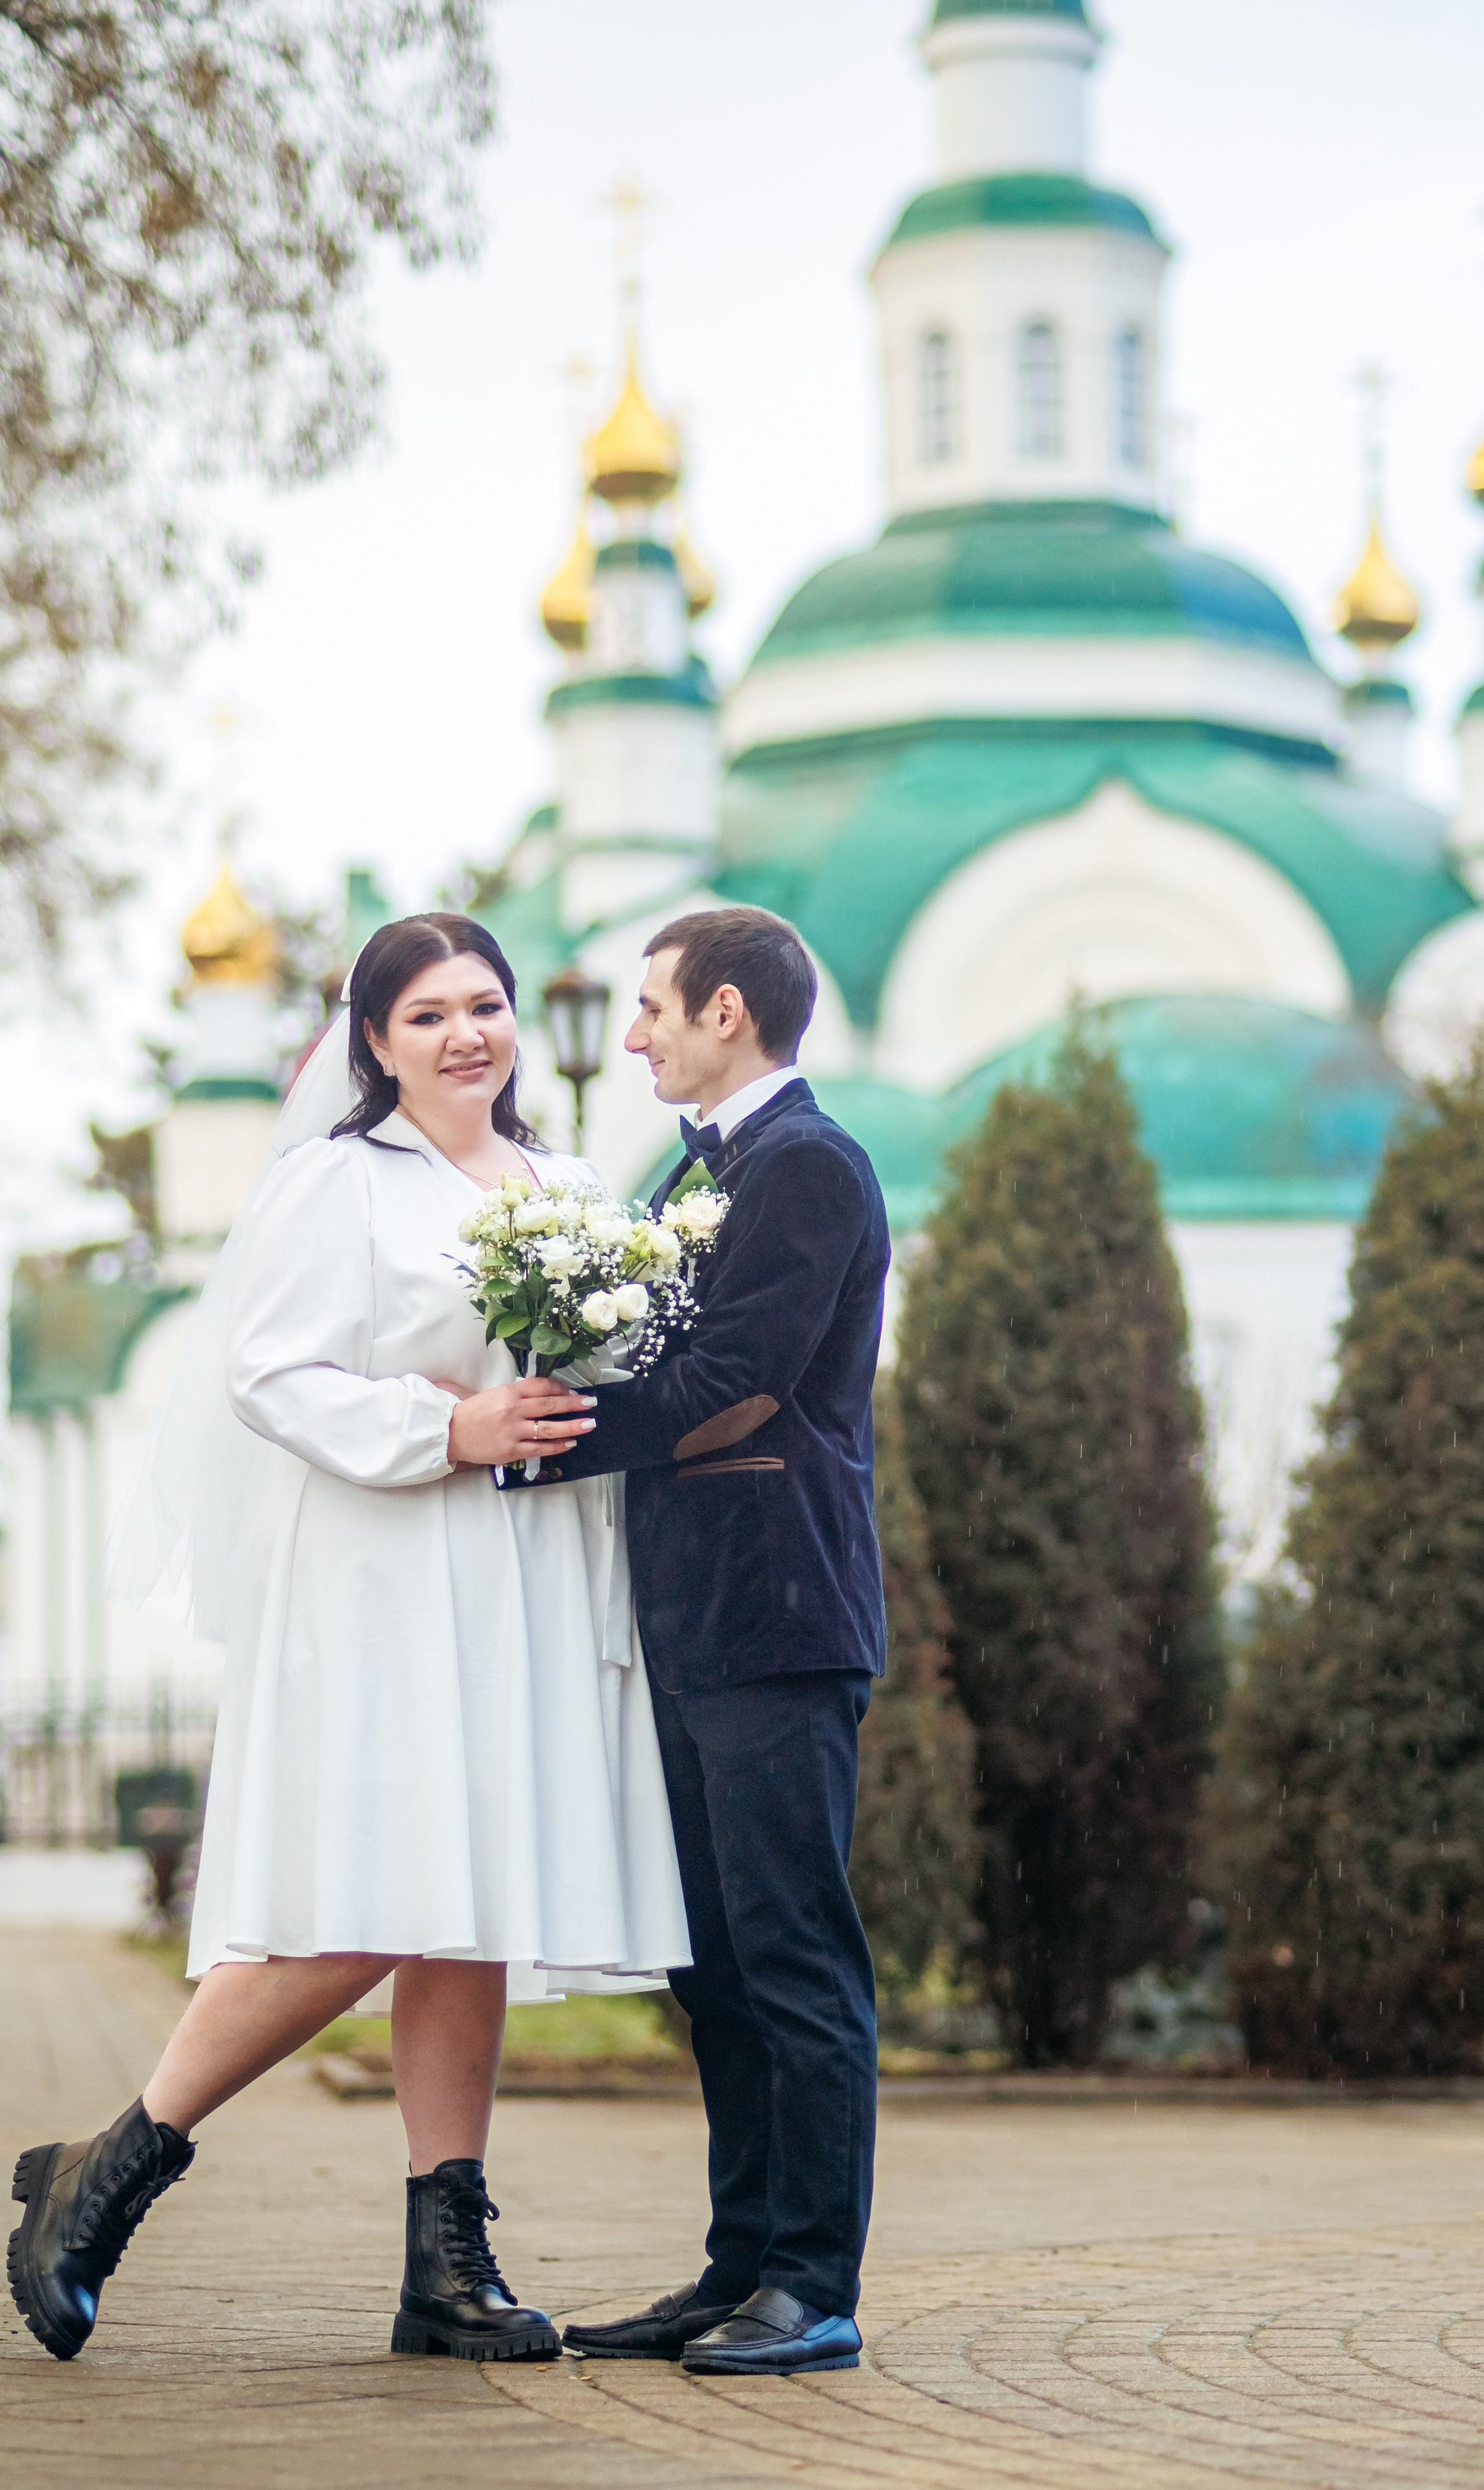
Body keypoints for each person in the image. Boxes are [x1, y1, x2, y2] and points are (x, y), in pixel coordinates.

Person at [7, 914, 687, 2366]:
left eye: (486, 1007)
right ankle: (112, 2169)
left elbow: (610, 1365)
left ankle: (445, 2262)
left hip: (520, 1571)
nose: (467, 1035)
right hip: (381, 1566)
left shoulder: (568, 1187)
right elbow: (268, 1374)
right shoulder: (332, 1185)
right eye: (429, 1013)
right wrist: (444, 1427)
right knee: (368, 1896)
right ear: (371, 1044)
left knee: (468, 1902)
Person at [541, 905, 890, 2378]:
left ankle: (812, 2285)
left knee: (795, 1958)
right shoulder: (707, 1173)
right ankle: (735, 2267)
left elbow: (741, 1386)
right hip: (694, 1620)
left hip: (778, 1611)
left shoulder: (805, 1168)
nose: (634, 1035)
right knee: (716, 1970)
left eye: (653, 1010)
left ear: (727, 1012)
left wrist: (535, 1445)